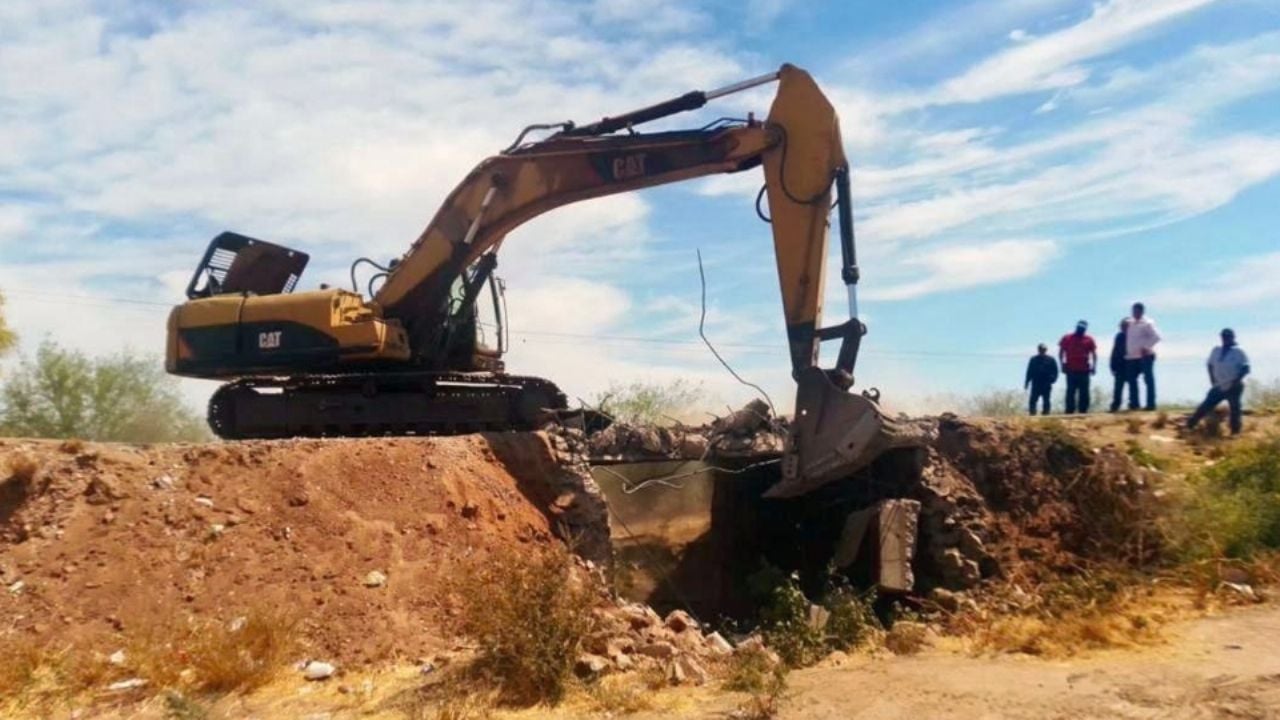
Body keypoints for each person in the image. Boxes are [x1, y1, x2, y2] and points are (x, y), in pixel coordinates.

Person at [1187, 328, 1250, 435]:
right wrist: (1212, 378)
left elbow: (1246, 368)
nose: (1225, 339)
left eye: (1228, 337)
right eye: (1223, 336)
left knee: (1235, 409)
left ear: (1233, 337)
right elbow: (1210, 365)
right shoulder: (1216, 350)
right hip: (1219, 385)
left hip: (1233, 385)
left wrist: (1237, 380)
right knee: (1205, 405)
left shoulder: (1239, 351)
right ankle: (1190, 425)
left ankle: (1235, 431)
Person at [1124, 302, 1161, 410]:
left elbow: (1156, 337)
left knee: (1148, 380)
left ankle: (1150, 404)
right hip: (1131, 356)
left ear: (1142, 311)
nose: (1135, 313)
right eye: (1133, 311)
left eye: (1137, 311)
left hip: (1145, 356)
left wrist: (1146, 347)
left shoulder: (1147, 323)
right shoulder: (1129, 323)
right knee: (1132, 380)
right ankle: (1134, 404)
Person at [1059, 320, 1097, 414]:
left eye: (1083, 328)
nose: (1080, 329)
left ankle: (1083, 411)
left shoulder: (1089, 339)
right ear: (1076, 327)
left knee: (1084, 391)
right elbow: (1061, 352)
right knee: (1071, 391)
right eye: (1079, 327)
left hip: (1084, 369)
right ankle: (1069, 411)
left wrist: (1094, 366)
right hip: (1071, 369)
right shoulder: (1067, 338)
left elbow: (1094, 354)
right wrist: (1062, 364)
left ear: (1085, 329)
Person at [1025, 343, 1059, 416]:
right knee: (1033, 400)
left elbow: (1055, 371)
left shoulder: (1051, 359)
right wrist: (1027, 382)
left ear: (1046, 350)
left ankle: (1046, 414)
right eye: (1041, 349)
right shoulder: (1033, 359)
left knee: (1046, 400)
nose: (1042, 351)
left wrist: (1053, 379)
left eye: (1043, 349)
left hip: (1046, 383)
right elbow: (1029, 371)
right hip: (1036, 383)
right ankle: (1032, 414)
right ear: (1038, 350)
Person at [1108, 318, 1131, 412]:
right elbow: (1114, 351)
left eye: (1125, 325)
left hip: (1131, 365)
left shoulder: (1134, 336)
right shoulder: (1119, 336)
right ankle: (1115, 405)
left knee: (1132, 386)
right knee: (1118, 387)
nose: (1123, 327)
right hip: (1120, 366)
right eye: (1122, 326)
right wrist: (1112, 365)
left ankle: (1133, 405)